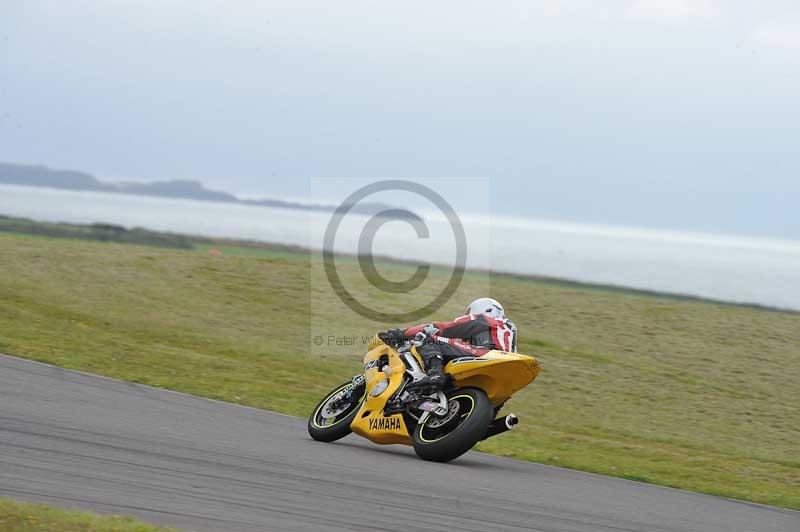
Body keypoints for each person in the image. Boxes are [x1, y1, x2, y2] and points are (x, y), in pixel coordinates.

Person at [382, 297, 517, 390]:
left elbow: (442, 328)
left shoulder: (483, 319)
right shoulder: (509, 329)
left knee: (426, 338)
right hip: (504, 367)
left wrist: (402, 333)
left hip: (485, 354)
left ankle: (435, 374)